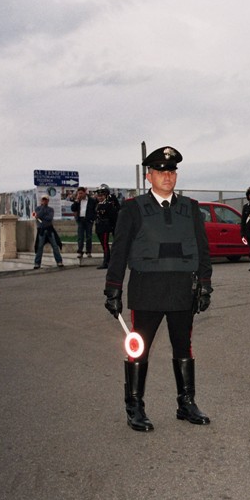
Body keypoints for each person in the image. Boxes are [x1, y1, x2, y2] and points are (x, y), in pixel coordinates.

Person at [103, 146, 213, 432]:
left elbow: (202, 249)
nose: (168, 176)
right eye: (162, 172)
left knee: (183, 346)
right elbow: (120, 251)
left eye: (172, 171)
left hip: (181, 289)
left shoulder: (190, 208)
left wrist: (204, 285)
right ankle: (135, 407)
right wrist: (113, 289)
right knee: (139, 350)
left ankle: (186, 403)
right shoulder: (132, 208)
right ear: (149, 176)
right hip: (147, 289)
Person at [32, 195, 64, 269]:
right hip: (41, 230)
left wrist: (42, 217)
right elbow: (37, 216)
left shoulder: (51, 209)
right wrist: (43, 208)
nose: (44, 201)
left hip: (49, 229)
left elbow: (49, 218)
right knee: (39, 247)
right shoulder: (37, 208)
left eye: (46, 200)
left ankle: (59, 261)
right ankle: (37, 263)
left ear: (48, 201)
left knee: (55, 246)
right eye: (43, 200)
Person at [94, 184, 120, 269]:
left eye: (102, 195)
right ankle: (107, 260)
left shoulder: (109, 204)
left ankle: (106, 262)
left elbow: (113, 216)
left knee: (105, 245)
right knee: (103, 245)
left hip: (105, 227)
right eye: (99, 195)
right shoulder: (98, 205)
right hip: (99, 227)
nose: (100, 197)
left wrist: (112, 226)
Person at [71, 187, 97, 258]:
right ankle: (80, 251)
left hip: (88, 220)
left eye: (81, 193)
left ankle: (88, 251)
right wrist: (76, 201)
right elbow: (73, 208)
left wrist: (93, 218)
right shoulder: (77, 201)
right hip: (80, 220)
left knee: (88, 236)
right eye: (79, 193)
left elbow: (95, 210)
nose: (80, 195)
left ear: (85, 193)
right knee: (80, 236)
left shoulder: (92, 200)